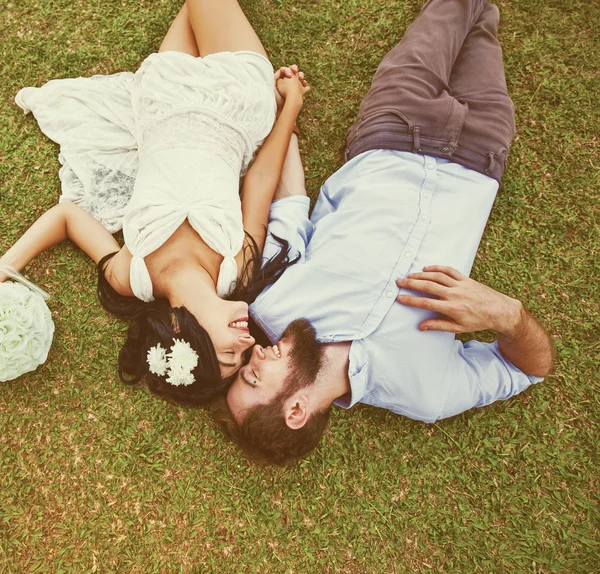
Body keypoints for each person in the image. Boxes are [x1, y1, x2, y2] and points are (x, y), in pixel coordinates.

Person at [213, 0, 554, 463]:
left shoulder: (272, 307)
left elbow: (290, 208)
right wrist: (507, 315)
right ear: (297, 410)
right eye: (254, 378)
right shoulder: (426, 393)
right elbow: (531, 369)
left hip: (394, 124)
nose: (255, 356)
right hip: (482, 150)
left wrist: (284, 118)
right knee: (483, 18)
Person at [0, 1, 309, 403]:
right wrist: (290, 107)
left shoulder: (131, 277)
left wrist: (5, 267)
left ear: (181, 334)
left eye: (230, 353)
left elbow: (67, 217)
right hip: (237, 103)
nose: (247, 342)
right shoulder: (239, 269)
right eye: (245, 354)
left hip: (164, 98)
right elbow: (260, 184)